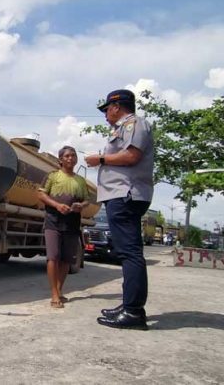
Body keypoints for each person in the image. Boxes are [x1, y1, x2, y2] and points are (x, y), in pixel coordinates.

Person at [85, 89, 154, 330]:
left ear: (117, 107)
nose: (105, 114)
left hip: (125, 194)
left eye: (106, 109)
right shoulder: (124, 127)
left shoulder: (134, 124)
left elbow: (132, 156)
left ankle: (133, 312)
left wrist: (100, 159)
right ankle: (129, 306)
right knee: (128, 253)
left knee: (129, 254)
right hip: (122, 195)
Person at [38, 145, 89, 308]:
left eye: (73, 156)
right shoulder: (52, 176)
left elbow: (87, 200)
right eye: (67, 156)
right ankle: (54, 295)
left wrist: (81, 205)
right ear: (60, 159)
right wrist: (57, 205)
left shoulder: (80, 181)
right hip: (53, 221)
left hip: (72, 223)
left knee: (67, 259)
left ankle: (59, 290)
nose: (70, 158)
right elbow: (41, 194)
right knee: (53, 256)